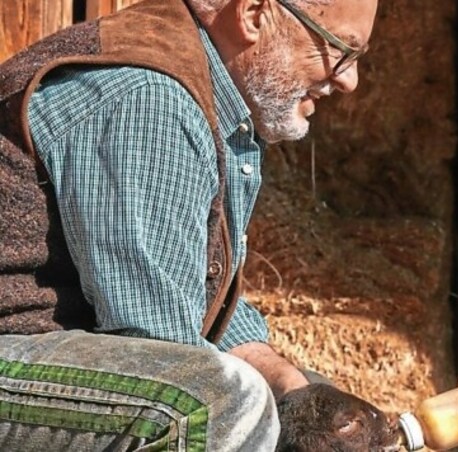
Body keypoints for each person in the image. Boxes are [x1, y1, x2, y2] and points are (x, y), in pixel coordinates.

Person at [0, 0, 378, 450]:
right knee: (216, 403)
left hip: (44, 356)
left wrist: (296, 390)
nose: (349, 80)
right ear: (255, 15)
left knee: (322, 412)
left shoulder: (210, 96)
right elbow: (161, 350)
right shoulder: (149, 97)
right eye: (340, 49)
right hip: (15, 350)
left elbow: (198, 302)